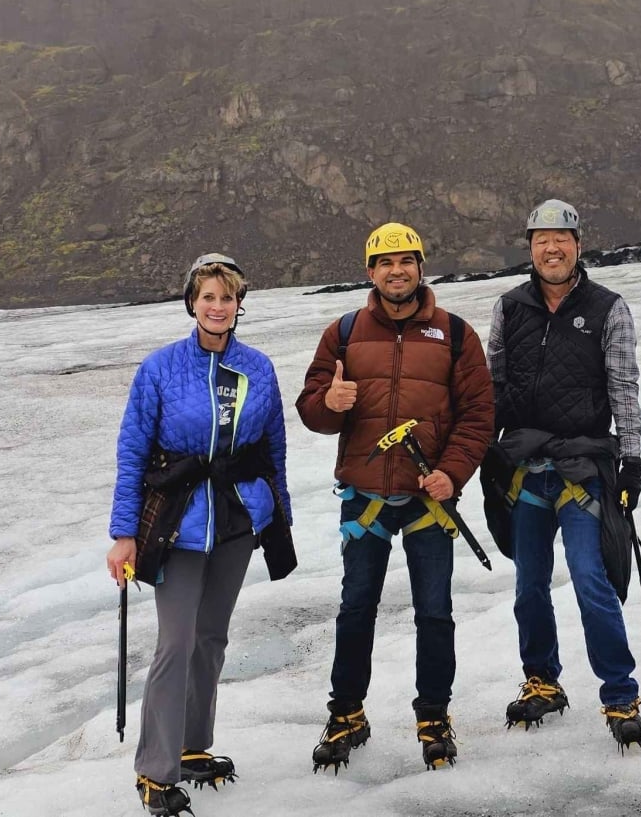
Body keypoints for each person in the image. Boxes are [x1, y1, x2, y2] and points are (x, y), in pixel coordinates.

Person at [297, 222, 494, 772]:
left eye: (405, 261)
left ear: (421, 267)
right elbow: (311, 410)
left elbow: (479, 415)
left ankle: (433, 716)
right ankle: (347, 714)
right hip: (367, 499)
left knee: (435, 612)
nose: (396, 271)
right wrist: (330, 402)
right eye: (385, 263)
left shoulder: (456, 334)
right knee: (356, 608)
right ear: (369, 272)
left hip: (430, 499)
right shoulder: (342, 332)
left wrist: (452, 473)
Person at [106, 253, 292, 816]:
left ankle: (190, 746)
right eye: (208, 297)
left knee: (211, 638)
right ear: (192, 303)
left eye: (228, 298)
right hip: (178, 525)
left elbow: (272, 450)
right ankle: (155, 770)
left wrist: (277, 517)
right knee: (176, 643)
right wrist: (123, 533)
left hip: (235, 521)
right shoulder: (160, 369)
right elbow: (133, 451)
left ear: (239, 306)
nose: (218, 306)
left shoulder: (258, 367)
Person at [482, 200, 641, 749]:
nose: (551, 248)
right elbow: (493, 387)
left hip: (582, 468)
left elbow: (623, 385)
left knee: (588, 576)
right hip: (526, 471)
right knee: (530, 584)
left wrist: (632, 460)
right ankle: (542, 681)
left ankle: (620, 694)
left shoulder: (608, 309)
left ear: (578, 245)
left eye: (562, 238)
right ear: (529, 247)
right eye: (540, 239)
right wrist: (483, 446)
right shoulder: (509, 308)